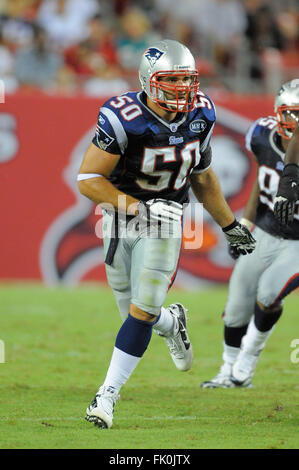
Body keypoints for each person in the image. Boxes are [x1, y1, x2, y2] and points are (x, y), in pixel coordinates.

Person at [77, 39, 256, 428]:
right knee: (135, 315)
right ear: (147, 79)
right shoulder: (123, 116)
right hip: (120, 217)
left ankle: (105, 397)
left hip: (168, 220)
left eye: (186, 79)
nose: (181, 88)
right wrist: (138, 207)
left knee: (141, 311)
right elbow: (88, 179)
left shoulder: (202, 113)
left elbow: (204, 176)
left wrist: (230, 226)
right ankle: (171, 323)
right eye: (171, 79)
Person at [201, 79, 299, 389]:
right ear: (278, 113)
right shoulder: (261, 135)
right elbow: (262, 179)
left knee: (269, 293)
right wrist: (245, 225)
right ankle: (227, 371)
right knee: (237, 303)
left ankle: (248, 358)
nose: (297, 123)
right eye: (292, 114)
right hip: (268, 231)